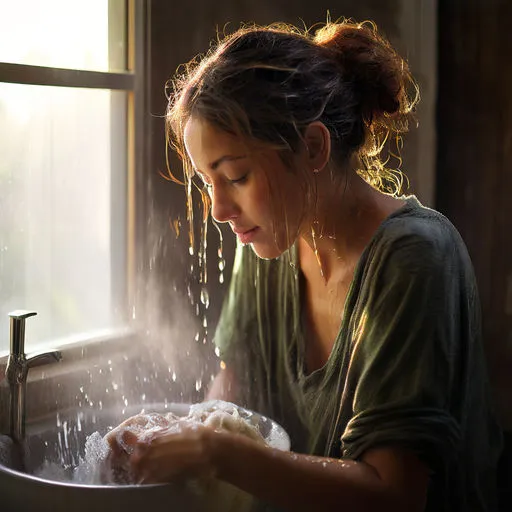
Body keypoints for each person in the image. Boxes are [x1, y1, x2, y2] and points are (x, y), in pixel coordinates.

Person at [112, 20, 503, 511]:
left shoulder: (414, 258)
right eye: (206, 181)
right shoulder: (267, 240)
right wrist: (179, 438)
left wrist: (217, 453)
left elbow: (394, 494)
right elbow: (236, 388)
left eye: (236, 175)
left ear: (314, 147)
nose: (218, 209)